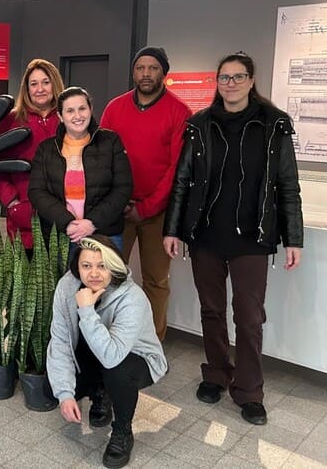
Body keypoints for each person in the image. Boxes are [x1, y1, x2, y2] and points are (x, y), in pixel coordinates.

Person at [163, 52, 303, 426]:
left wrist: (294, 238)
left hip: (253, 238)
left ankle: (249, 391)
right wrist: (173, 229)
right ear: (217, 82)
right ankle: (216, 374)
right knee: (211, 310)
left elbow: (287, 185)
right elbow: (183, 181)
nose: (231, 83)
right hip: (206, 235)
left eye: (238, 77)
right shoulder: (200, 125)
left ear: (251, 80)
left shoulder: (275, 125)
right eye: (224, 78)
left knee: (249, 317)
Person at [47, 235, 167, 469]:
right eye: (86, 266)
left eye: (102, 266)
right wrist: (65, 394)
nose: (94, 273)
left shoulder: (132, 297)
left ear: (114, 266)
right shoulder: (67, 286)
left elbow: (112, 356)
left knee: (117, 371)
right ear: (77, 267)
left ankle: (123, 432)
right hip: (96, 354)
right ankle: (99, 390)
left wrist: (86, 310)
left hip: (136, 359)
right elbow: (60, 340)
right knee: (49, 391)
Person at [100, 46, 192, 341]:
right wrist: (117, 201)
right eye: (140, 68)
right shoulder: (115, 108)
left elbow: (177, 169)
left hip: (157, 213)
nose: (146, 74)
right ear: (133, 72)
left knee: (155, 280)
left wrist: (147, 207)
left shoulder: (180, 112)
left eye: (153, 68)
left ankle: (151, 342)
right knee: (107, 275)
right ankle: (109, 336)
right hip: (117, 209)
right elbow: (103, 157)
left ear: (164, 73)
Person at [28, 87, 133, 252]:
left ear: (90, 110)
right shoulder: (46, 149)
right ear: (61, 116)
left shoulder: (111, 141)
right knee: (65, 279)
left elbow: (123, 188)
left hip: (104, 234)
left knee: (105, 279)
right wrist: (68, 223)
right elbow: (36, 191)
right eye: (70, 111)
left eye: (82, 108)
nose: (77, 116)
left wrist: (91, 223)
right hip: (62, 235)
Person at [0, 59, 63, 251]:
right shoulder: (12, 120)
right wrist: (11, 202)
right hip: (23, 216)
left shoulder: (67, 118)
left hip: (63, 216)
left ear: (54, 84)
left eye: (45, 82)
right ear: (27, 88)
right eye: (34, 84)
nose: (40, 89)